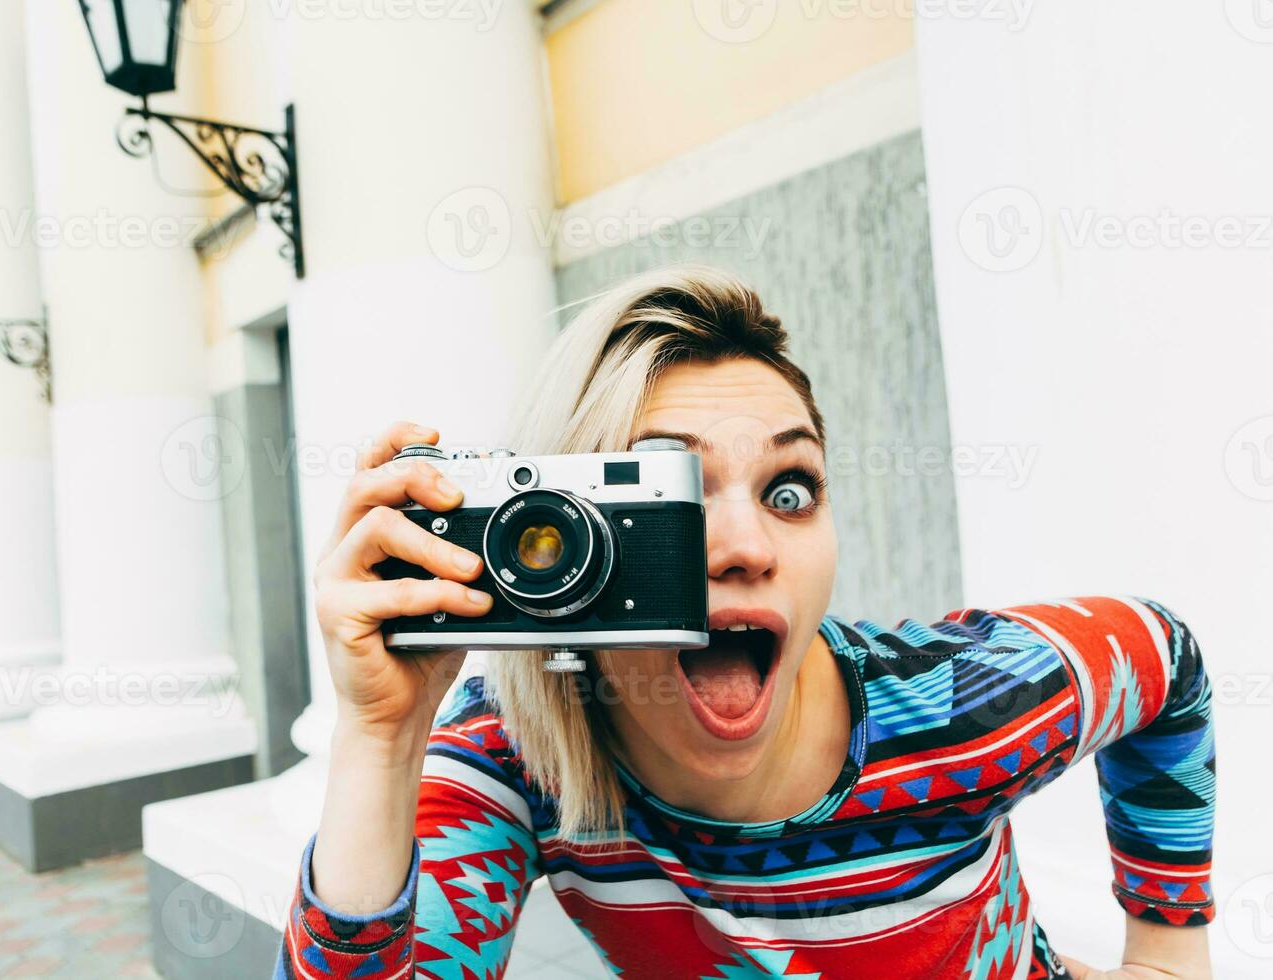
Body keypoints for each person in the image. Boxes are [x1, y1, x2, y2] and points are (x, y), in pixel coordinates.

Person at [274, 267, 1215, 979]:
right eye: (665, 498)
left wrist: (1167, 954)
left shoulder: (970, 701)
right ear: (557, 543)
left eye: (790, 489)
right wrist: (381, 739)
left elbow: (1163, 655)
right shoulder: (523, 754)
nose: (742, 546)